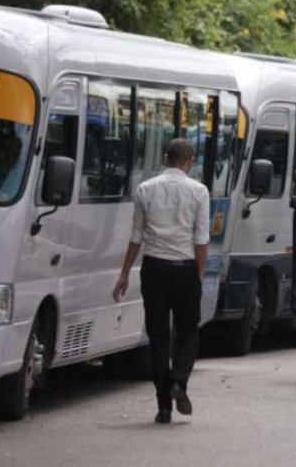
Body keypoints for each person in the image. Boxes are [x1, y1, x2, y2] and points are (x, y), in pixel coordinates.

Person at [112, 138, 210, 424]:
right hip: (184, 269)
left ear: (167, 158)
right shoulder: (199, 191)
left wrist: (123, 273)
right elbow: (201, 239)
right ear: (189, 160)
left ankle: (163, 406)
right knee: (188, 332)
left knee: (158, 338)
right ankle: (179, 380)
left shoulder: (145, 189)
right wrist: (199, 275)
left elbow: (135, 237)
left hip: (153, 269)